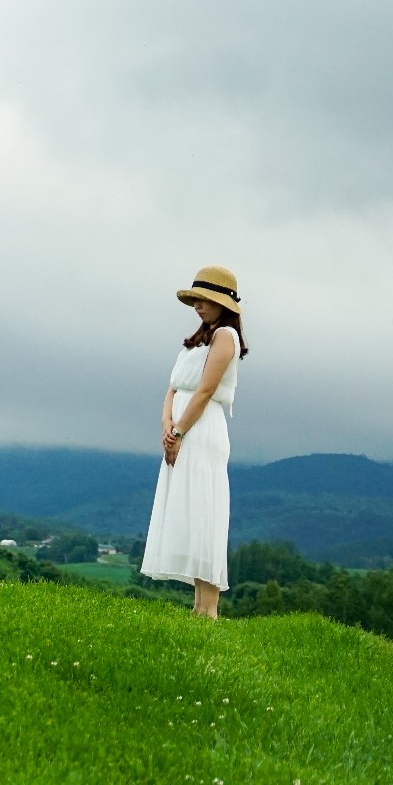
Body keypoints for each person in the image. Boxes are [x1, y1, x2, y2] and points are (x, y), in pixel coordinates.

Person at [139, 264, 246, 617]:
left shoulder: (225, 336)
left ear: (222, 303)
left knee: (204, 509)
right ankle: (197, 607)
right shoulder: (198, 339)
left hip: (201, 431)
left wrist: (180, 431)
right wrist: (167, 426)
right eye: (195, 300)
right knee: (188, 508)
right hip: (182, 428)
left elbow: (205, 390)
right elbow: (173, 388)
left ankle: (208, 608)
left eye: (204, 300)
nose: (198, 306)